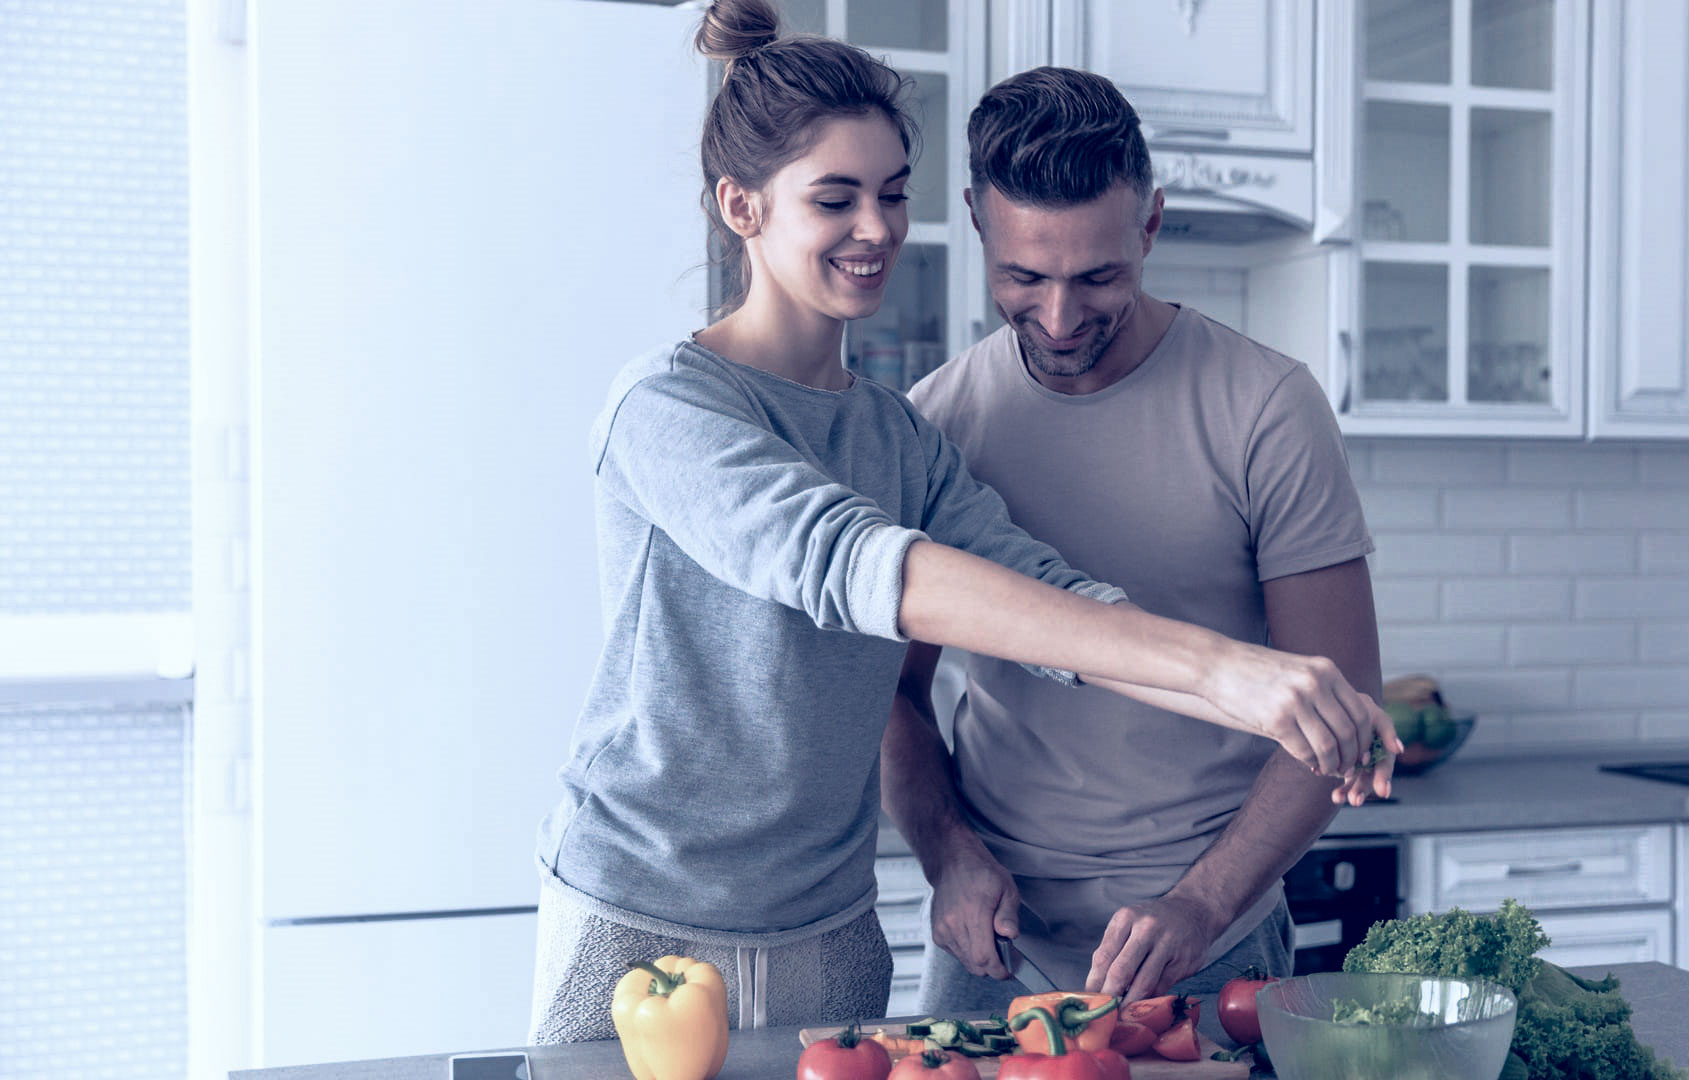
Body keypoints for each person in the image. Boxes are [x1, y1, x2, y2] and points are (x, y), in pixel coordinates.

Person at [528, 3, 1397, 1042]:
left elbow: (1056, 606)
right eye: (835, 198)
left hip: (830, 923)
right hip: (645, 915)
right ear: (742, 208)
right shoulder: (666, 407)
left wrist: (1257, 690)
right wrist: (1223, 671)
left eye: (892, 195)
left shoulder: (901, 437)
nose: (876, 228)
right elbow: (851, 561)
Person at [886, 66, 1388, 1015]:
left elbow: (1342, 704)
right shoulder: (935, 423)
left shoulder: (1266, 409)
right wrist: (948, 856)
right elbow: (890, 700)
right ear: (976, 223)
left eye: (1098, 276)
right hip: (991, 948)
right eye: (1023, 275)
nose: (1061, 318)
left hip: (1212, 945)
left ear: (1150, 224)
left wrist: (1200, 903)